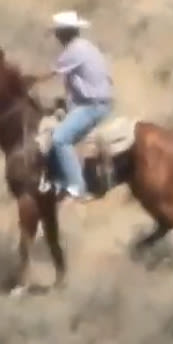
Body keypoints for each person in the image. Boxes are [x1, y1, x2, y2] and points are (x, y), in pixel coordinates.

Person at [31, 10, 113, 203]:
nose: (57, 37)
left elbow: (48, 74)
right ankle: (59, 178)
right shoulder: (85, 46)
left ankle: (77, 188)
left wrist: (23, 81)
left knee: (59, 139)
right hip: (94, 102)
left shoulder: (73, 51)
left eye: (58, 33)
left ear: (65, 33)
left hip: (92, 106)